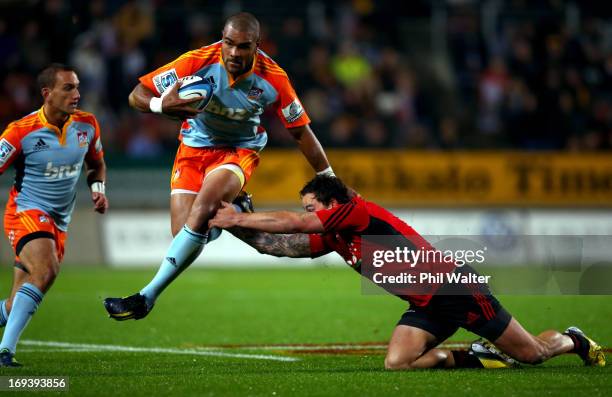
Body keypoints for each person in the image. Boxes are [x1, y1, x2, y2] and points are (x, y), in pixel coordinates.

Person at [209, 175, 606, 370]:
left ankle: (572, 340)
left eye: (313, 207)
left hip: (455, 290)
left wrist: (241, 214)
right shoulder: (336, 235)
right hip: (425, 304)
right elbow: (280, 246)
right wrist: (237, 225)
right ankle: (481, 357)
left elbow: (295, 225)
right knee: (397, 362)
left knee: (533, 354)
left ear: (332, 203)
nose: (310, 214)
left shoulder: (358, 211)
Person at [103, 12, 333, 320]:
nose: (235, 52)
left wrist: (327, 176)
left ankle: (146, 296)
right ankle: (237, 212)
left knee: (203, 208)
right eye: (229, 43)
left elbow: (300, 131)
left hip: (238, 151)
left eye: (243, 46)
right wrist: (160, 105)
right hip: (193, 149)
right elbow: (137, 95)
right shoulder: (197, 61)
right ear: (221, 39)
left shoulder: (273, 77)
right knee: (185, 231)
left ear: (257, 46)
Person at [0, 64, 108, 367]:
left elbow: (96, 164)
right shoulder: (20, 131)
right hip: (26, 212)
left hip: (60, 220)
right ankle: (4, 352)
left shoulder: (87, 125)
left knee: (15, 302)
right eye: (68, 88)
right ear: (47, 94)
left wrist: (98, 188)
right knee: (46, 270)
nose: (77, 94)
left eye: (77, 87)